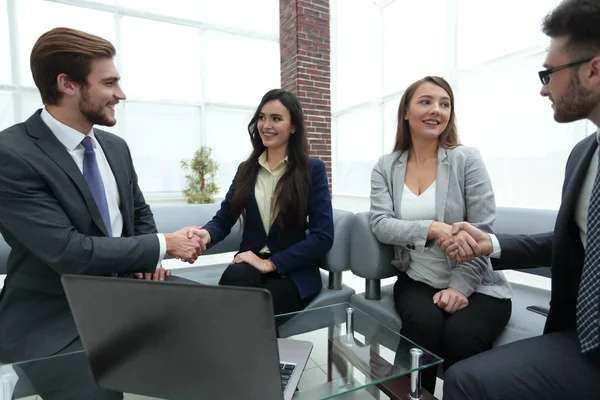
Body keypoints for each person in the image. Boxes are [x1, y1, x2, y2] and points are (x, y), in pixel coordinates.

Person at [0, 27, 204, 398]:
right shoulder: (11, 154)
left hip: (125, 289)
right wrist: (164, 245)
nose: (120, 94)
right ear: (68, 84)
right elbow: (68, 251)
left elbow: (138, 212)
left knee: (224, 321)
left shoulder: (115, 147)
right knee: (98, 392)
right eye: (109, 83)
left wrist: (148, 259)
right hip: (55, 312)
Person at [438, 1, 600, 398]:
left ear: (594, 70)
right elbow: (573, 243)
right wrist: (488, 244)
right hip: (580, 336)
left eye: (549, 73)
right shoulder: (583, 156)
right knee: (464, 377)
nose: (543, 87)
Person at [369, 76, 513, 394]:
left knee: (461, 337)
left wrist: (459, 287)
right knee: (422, 326)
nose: (437, 110)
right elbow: (380, 223)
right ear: (405, 112)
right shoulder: (385, 166)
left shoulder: (467, 159)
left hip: (479, 284)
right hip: (417, 278)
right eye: (426, 101)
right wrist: (431, 228)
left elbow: (483, 232)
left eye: (444, 104)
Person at [190, 89, 334, 316]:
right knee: (234, 283)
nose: (266, 125)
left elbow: (322, 237)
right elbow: (225, 217)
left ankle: (237, 350)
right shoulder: (246, 170)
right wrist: (206, 234)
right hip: (249, 263)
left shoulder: (312, 170)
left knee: (255, 307)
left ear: (293, 126)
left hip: (293, 270)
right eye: (262, 117)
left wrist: (271, 263)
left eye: (276, 119)